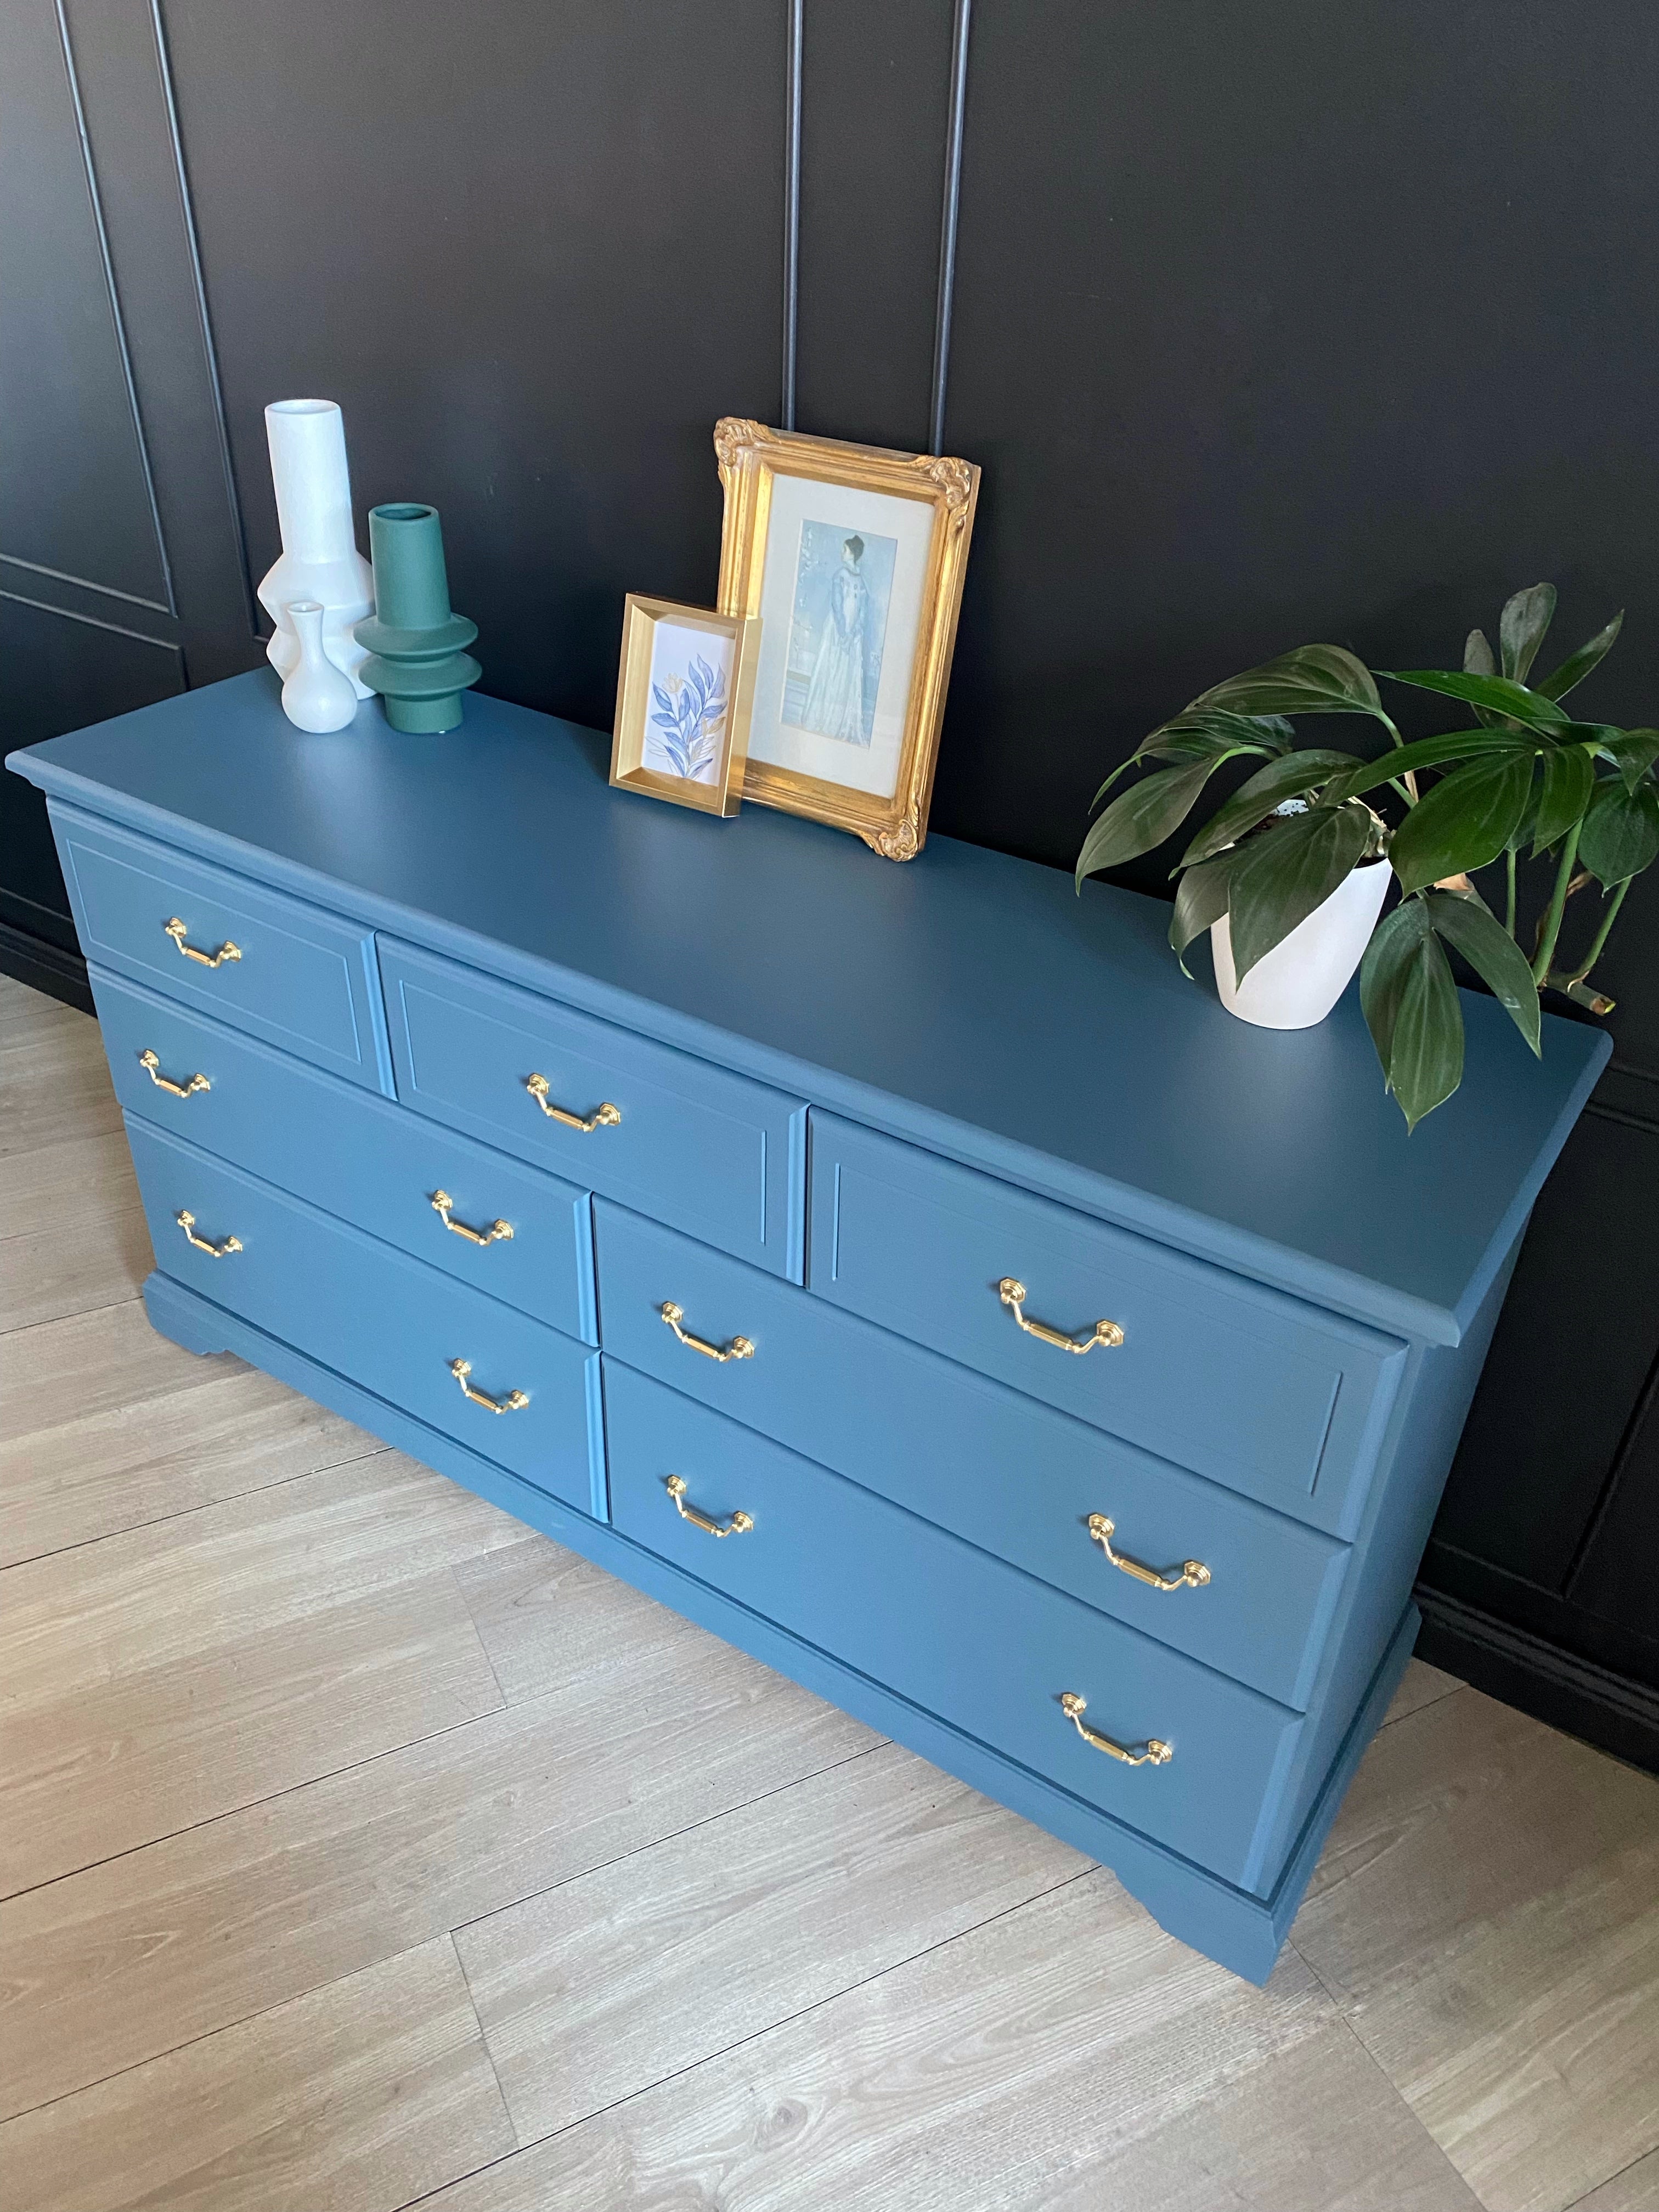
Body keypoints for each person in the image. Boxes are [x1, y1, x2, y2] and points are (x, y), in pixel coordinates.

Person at [800, 534, 870, 743]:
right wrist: (842, 633)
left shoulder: (863, 583)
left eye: (845, 549)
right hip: (836, 631)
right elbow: (837, 605)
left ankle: (841, 720)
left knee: (846, 675)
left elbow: (863, 613)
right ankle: (823, 717)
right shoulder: (839, 575)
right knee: (830, 670)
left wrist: (853, 634)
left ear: (853, 553)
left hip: (853, 636)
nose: (842, 553)